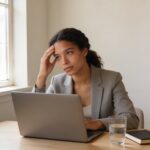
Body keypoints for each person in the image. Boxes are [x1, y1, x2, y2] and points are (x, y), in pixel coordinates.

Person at [33, 28, 139, 131]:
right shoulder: (57, 82)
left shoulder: (112, 79)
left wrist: (97, 123)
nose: (64, 61)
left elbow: (131, 119)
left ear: (84, 51)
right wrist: (42, 76)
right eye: (58, 57)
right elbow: (36, 117)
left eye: (69, 52)